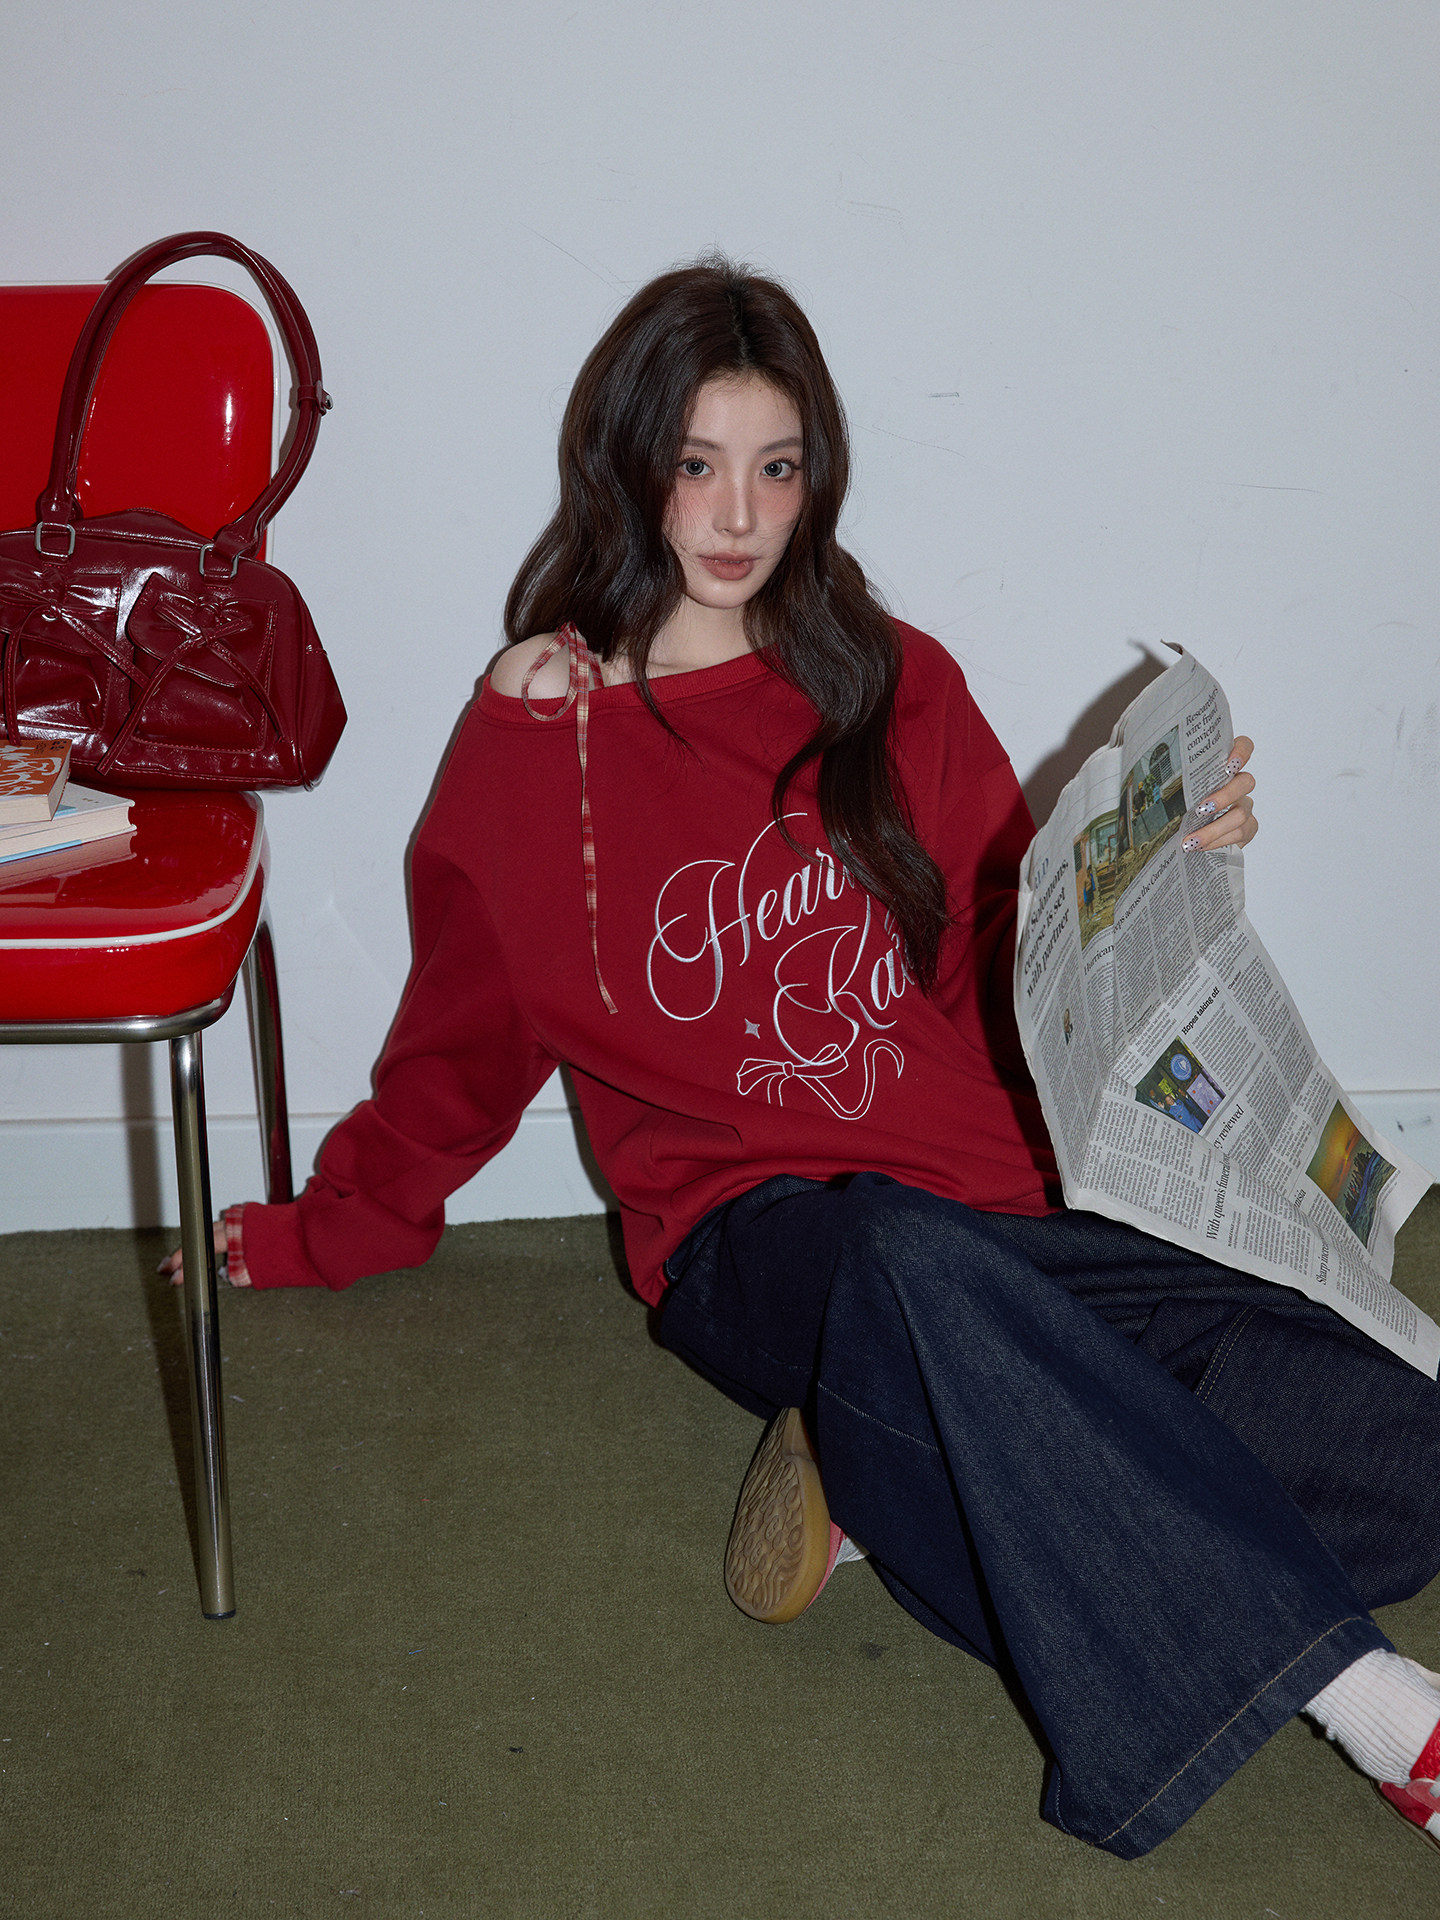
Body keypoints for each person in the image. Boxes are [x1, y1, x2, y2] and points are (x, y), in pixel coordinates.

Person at [165, 259, 1440, 1861]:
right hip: (763, 1235)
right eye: (697, 462)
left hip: (1010, 1208)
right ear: (626, 464)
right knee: (910, 1268)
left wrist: (1162, 864)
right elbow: (460, 1049)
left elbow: (1005, 943)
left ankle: (892, 1473)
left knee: (1399, 1444)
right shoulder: (543, 740)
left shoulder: (890, 680)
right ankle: (1380, 1708)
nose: (737, 513)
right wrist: (330, 1228)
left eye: (776, 467)